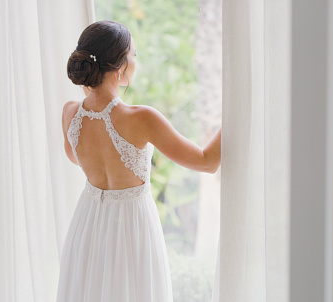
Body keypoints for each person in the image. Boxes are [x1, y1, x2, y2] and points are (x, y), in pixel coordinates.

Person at [56, 20, 222, 302]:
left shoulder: (70, 113)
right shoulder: (141, 119)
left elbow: (75, 158)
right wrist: (237, 110)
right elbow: (207, 161)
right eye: (133, 55)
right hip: (131, 228)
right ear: (120, 66)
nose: (135, 61)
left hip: (87, 225)